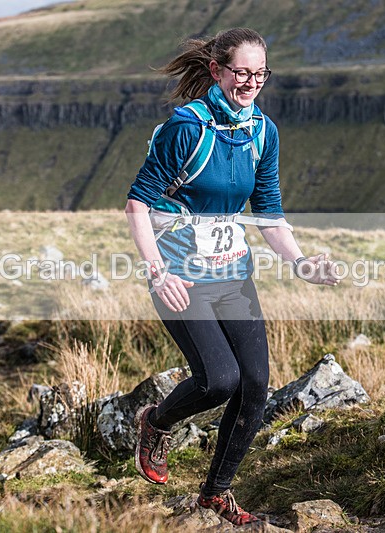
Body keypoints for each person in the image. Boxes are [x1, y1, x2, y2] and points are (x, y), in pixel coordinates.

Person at [125, 27, 339, 526]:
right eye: (241, 72)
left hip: (233, 274)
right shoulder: (187, 127)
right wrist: (157, 273)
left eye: (259, 74)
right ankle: (155, 424)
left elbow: (268, 212)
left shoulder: (262, 131)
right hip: (179, 276)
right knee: (219, 380)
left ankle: (215, 494)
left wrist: (301, 262)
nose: (250, 83)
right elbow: (138, 205)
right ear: (218, 71)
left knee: (256, 384)